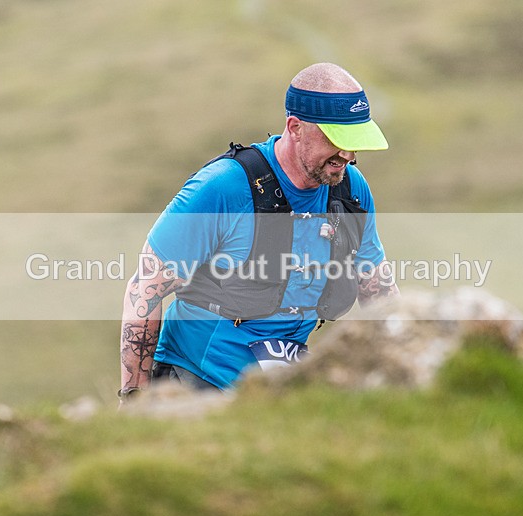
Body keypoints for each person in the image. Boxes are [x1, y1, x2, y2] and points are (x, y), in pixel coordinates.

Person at [118, 62, 400, 401]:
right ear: (295, 127)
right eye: (336, 140)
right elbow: (144, 293)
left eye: (356, 142)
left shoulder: (351, 191)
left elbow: (380, 293)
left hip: (280, 391)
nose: (348, 155)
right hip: (196, 379)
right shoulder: (223, 187)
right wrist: (134, 399)